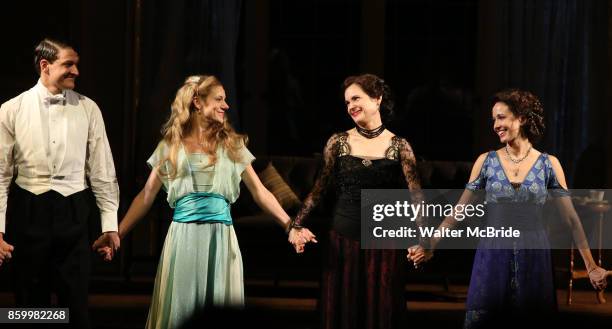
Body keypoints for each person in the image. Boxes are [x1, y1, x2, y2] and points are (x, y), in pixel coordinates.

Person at [95, 75, 316, 328]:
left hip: (220, 239)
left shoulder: (232, 146)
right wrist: (117, 234)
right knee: (183, 308)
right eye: (219, 99)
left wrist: (291, 225)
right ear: (197, 103)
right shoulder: (171, 146)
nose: (226, 106)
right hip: (184, 240)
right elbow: (146, 196)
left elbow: (260, 192)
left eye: (226, 100)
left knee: (219, 310)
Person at [408, 89, 609, 328]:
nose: (495, 125)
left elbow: (571, 220)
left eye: (501, 117)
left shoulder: (549, 164)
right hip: (493, 252)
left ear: (522, 118)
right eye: (493, 119)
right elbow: (459, 212)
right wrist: (431, 244)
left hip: (534, 252)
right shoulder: (486, 161)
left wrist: (592, 266)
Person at [0, 38, 120, 329]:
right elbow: (1, 175)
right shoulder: (11, 109)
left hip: (74, 211)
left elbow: (102, 171)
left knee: (76, 307)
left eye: (76, 64)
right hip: (29, 211)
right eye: (69, 64)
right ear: (45, 65)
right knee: (29, 307)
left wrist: (109, 226)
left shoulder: (89, 109)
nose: (76, 71)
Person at [287, 73, 423, 329]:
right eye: (347, 102)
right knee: (343, 312)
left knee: (381, 312)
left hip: (385, 244)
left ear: (377, 98)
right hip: (343, 241)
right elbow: (319, 190)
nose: (351, 106)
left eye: (356, 98)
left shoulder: (400, 145)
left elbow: (416, 197)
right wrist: (295, 224)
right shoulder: (338, 142)